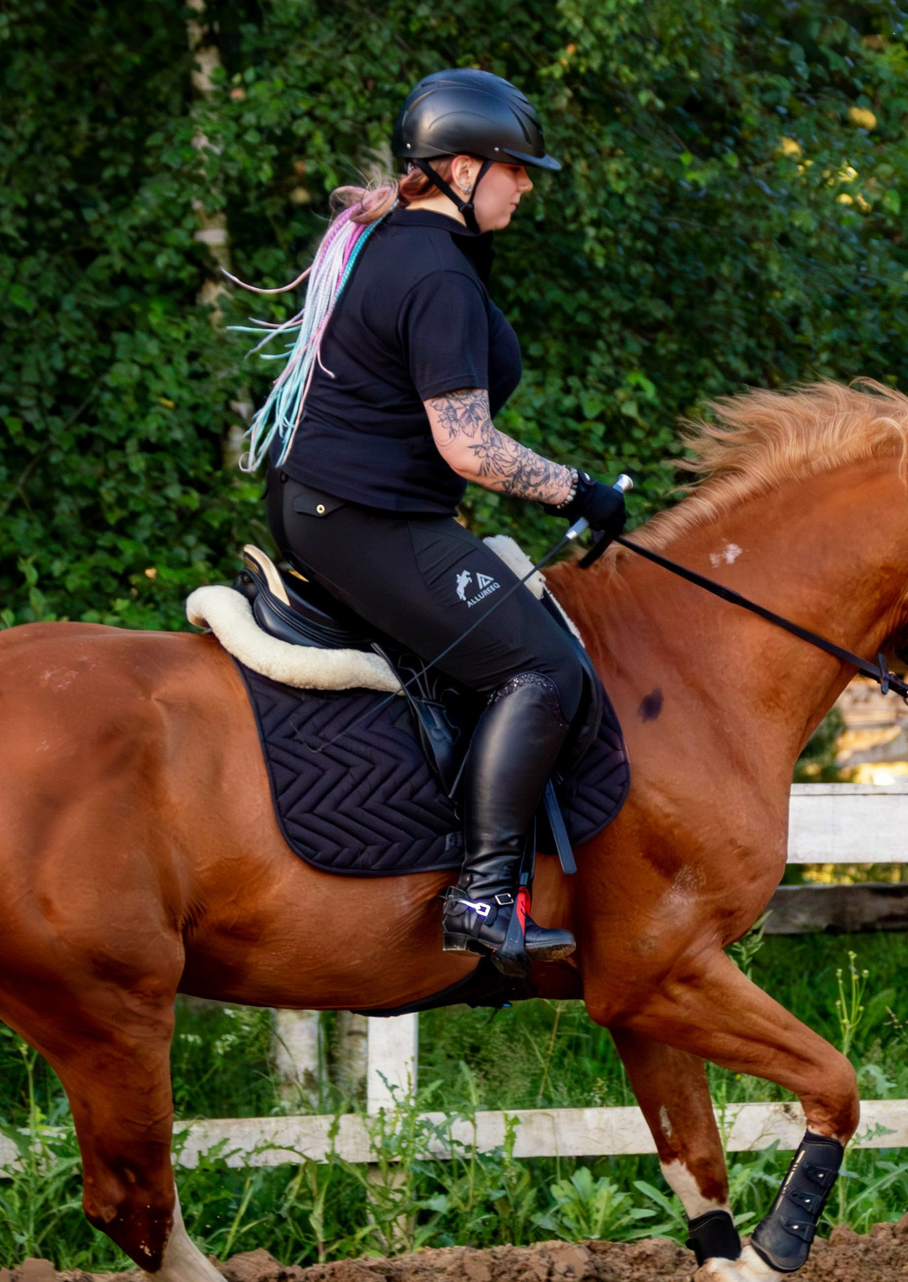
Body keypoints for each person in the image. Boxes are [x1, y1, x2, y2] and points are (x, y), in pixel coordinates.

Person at [241, 68, 627, 976]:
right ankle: (484, 897)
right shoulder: (437, 273)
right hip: (367, 522)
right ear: (460, 168)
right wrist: (581, 491)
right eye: (513, 167)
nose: (524, 185)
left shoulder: (389, 241)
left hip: (331, 508)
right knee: (543, 666)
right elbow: (468, 447)